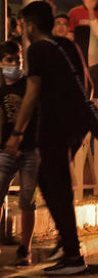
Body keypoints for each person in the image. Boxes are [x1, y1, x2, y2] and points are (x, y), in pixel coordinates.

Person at [9, 1, 88, 275]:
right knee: (55, 185)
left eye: (21, 25)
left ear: (30, 25)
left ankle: (73, 255)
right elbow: (83, 82)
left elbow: (31, 94)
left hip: (54, 127)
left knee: (54, 186)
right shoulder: (63, 46)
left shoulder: (38, 49)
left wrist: (17, 134)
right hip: (71, 127)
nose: (21, 30)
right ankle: (70, 250)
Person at [0, 41, 39, 266]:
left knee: (27, 200)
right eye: (9, 60)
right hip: (4, 149)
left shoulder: (29, 86)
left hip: (30, 149)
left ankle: (26, 249)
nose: (14, 64)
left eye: (17, 60)